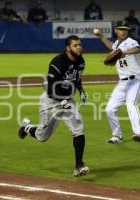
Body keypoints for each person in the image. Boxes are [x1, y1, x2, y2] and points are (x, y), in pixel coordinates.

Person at [18, 35, 89, 177]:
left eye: (80, 44)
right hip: (50, 101)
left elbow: (77, 78)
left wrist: (81, 91)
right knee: (42, 136)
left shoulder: (81, 61)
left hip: (67, 100)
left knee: (79, 129)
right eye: (75, 45)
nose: (79, 47)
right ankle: (27, 128)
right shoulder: (58, 62)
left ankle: (78, 166)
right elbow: (50, 87)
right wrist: (60, 100)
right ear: (68, 48)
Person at [93, 21, 140, 145]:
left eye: (125, 29)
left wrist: (123, 52)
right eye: (120, 29)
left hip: (135, 80)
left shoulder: (131, 42)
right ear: (116, 31)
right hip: (122, 83)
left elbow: (137, 49)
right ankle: (117, 136)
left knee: (131, 104)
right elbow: (112, 46)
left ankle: (138, 134)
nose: (123, 31)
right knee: (109, 109)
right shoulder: (117, 43)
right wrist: (101, 36)